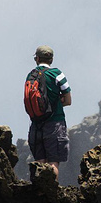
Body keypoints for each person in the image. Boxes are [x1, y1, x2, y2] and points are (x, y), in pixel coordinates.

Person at [26, 45, 72, 181]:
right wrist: (57, 102)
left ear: (37, 58)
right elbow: (68, 100)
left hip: (36, 124)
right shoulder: (57, 74)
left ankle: (39, 195)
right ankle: (52, 196)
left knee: (40, 163)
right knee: (53, 162)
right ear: (51, 59)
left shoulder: (31, 75)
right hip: (55, 123)